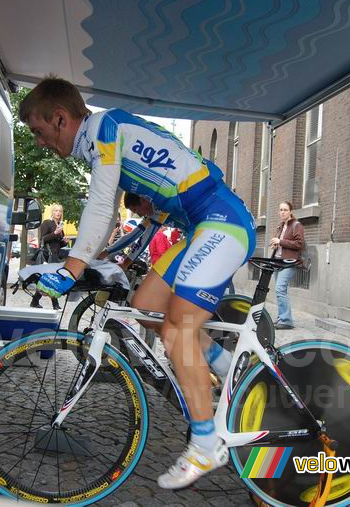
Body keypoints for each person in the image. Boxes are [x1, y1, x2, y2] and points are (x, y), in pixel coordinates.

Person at [20, 76, 255, 489]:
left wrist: (71, 269)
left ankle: (206, 443)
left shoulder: (104, 129)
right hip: (201, 225)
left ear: (59, 118)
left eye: (39, 132)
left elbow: (100, 203)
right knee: (145, 307)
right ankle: (231, 368)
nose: (39, 143)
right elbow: (112, 213)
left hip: (223, 221)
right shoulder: (102, 137)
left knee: (179, 329)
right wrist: (93, 258)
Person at [269, 201, 304, 329]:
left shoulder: (297, 225)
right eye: (281, 210)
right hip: (278, 262)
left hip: (289, 263)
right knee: (280, 291)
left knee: (279, 289)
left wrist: (281, 241)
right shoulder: (280, 226)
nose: (282, 212)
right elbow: (282, 244)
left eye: (285, 209)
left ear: (290, 211)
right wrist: (275, 244)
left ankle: (286, 320)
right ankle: (281, 318)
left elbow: (299, 244)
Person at [32, 204, 68, 309]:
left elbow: (58, 244)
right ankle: (55, 304)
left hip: (55, 257)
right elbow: (43, 239)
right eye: (56, 211)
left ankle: (34, 302)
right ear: (52, 212)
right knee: (51, 280)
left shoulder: (60, 225)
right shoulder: (47, 223)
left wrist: (64, 242)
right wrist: (55, 233)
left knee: (47, 280)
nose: (58, 213)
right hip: (47, 256)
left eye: (60, 211)